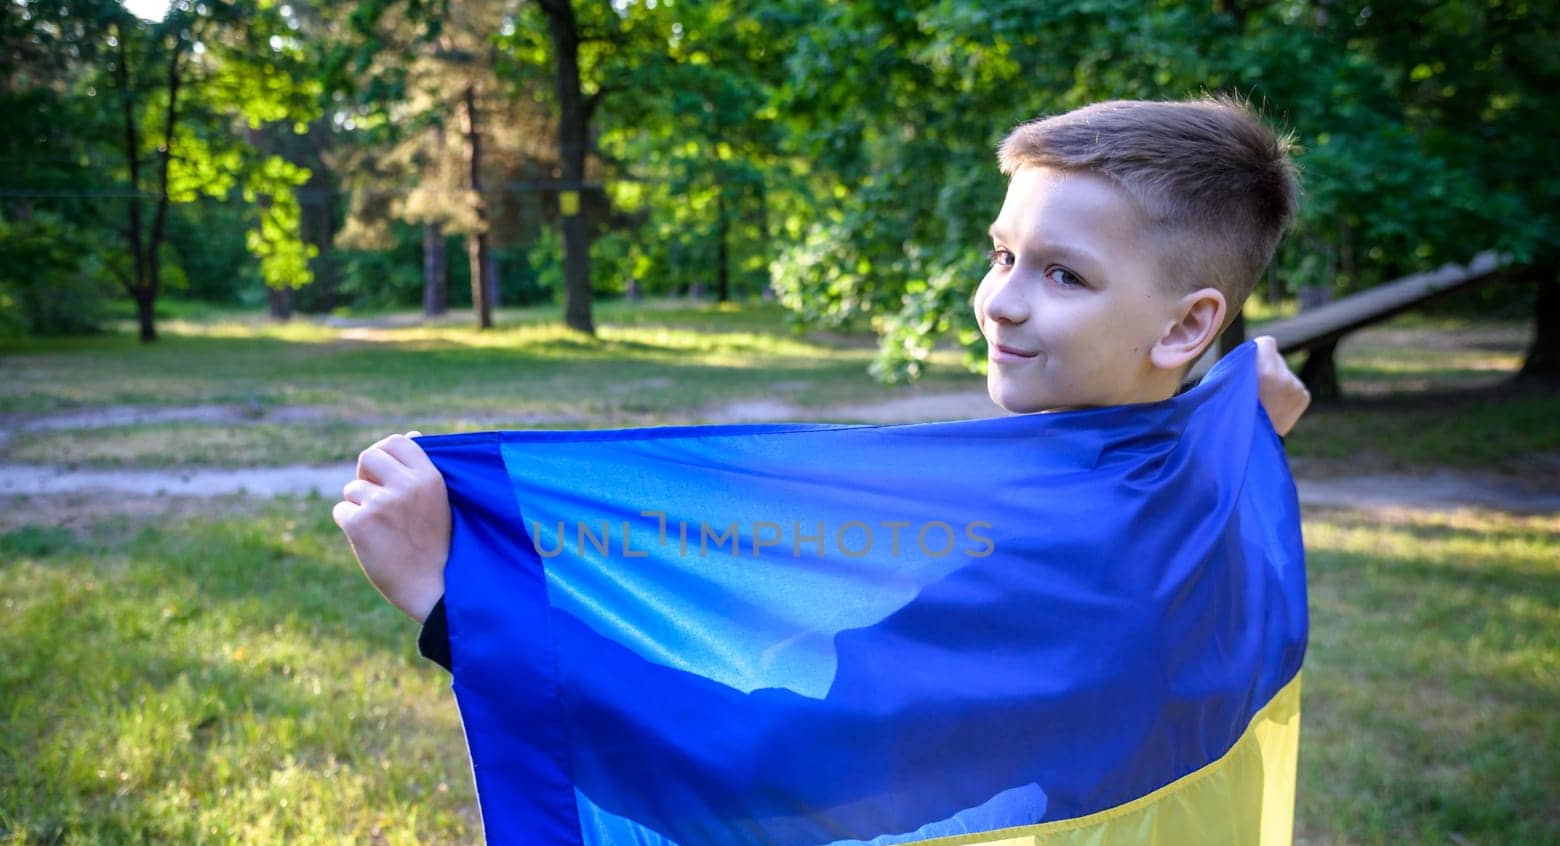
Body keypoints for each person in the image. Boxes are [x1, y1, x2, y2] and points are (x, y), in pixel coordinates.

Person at [333, 94, 1312, 669]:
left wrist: (448, 604)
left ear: (1189, 326)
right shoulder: (1210, 494)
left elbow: (760, 763)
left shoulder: (1041, 560)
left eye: (1064, 275)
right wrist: (1234, 425)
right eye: (1002, 254)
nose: (1000, 303)